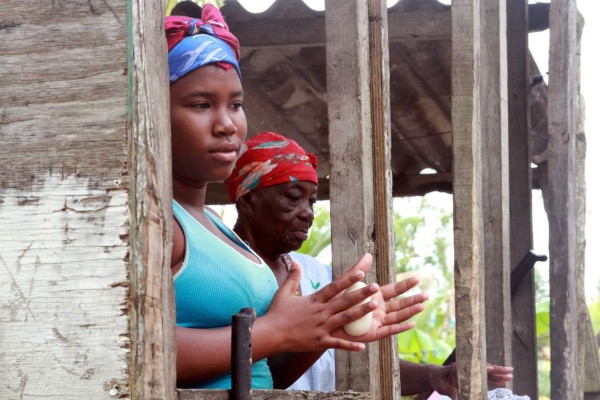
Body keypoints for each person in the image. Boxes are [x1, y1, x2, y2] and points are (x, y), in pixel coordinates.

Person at [165, 4, 427, 390]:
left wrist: (325, 326)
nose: (226, 125)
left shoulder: (215, 226)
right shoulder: (158, 221)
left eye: (235, 105)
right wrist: (276, 331)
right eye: (201, 105)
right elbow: (131, 350)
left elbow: (261, 374)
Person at [224, 131, 514, 396]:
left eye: (312, 201)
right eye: (293, 198)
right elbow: (247, 374)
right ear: (248, 201)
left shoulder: (321, 277)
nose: (307, 213)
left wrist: (434, 377)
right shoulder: (222, 273)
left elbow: (365, 365)